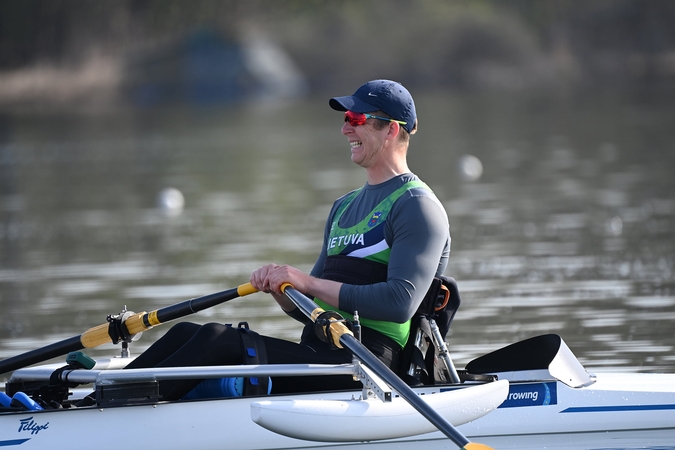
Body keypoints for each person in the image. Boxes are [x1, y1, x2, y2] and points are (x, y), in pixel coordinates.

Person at [123, 79, 451, 400]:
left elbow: (399, 303)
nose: (345, 129)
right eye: (345, 119)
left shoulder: (416, 206)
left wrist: (306, 283)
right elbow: (313, 306)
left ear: (392, 129)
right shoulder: (344, 207)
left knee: (216, 339)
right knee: (185, 332)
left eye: (356, 119)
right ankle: (97, 402)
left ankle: (110, 413)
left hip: (367, 366)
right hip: (320, 351)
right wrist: (285, 292)